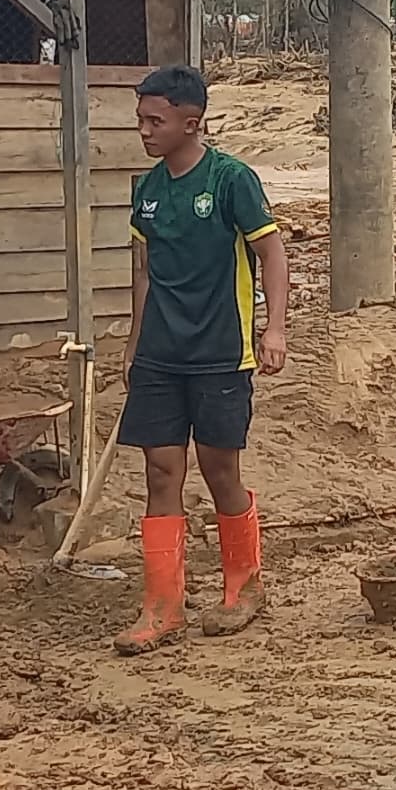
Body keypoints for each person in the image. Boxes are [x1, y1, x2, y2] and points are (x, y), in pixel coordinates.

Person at [116, 65, 289, 653]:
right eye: (140, 120)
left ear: (192, 124)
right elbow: (143, 273)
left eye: (155, 121)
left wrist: (274, 329)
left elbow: (272, 254)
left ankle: (243, 586)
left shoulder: (231, 180)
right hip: (160, 356)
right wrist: (134, 344)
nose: (144, 131)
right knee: (160, 471)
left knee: (220, 471)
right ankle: (162, 606)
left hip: (220, 352)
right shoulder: (147, 190)